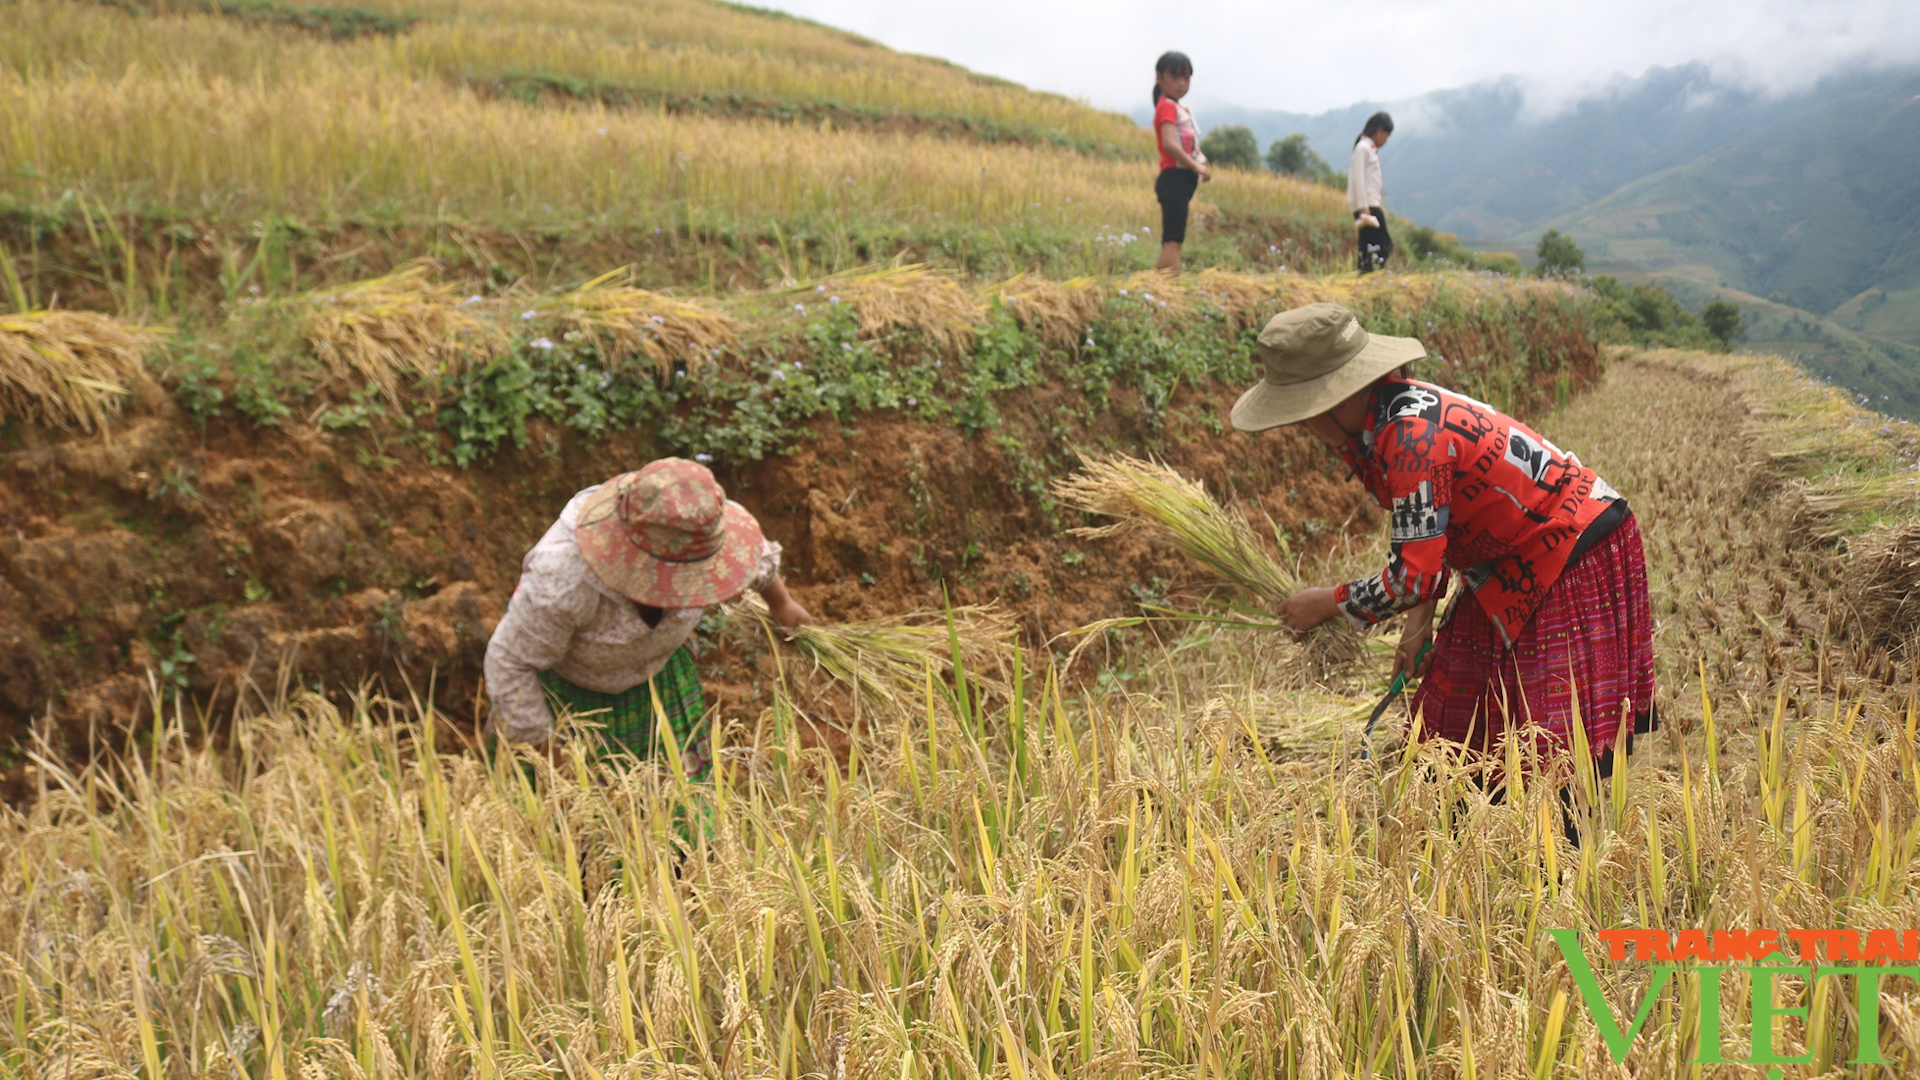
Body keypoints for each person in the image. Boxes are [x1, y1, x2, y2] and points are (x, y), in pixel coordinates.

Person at [1232, 302, 1655, 773]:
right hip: (1502, 558)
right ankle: (1469, 831)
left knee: (1550, 750)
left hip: (1568, 549)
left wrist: (1325, 603)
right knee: (1454, 709)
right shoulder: (1387, 416)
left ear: (1340, 399)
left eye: (1303, 414)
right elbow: (1432, 540)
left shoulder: (1409, 436)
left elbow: (1411, 578)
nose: (1304, 428)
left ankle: (1556, 845)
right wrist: (1417, 627)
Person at [484, 458, 813, 777]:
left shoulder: (702, 527)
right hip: (568, 701)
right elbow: (509, 664)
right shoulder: (564, 579)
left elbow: (751, 560)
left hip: (659, 680)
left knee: (678, 818)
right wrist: (551, 758)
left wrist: (782, 604)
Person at [1151, 51, 1210, 273]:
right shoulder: (1166, 106)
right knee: (1173, 241)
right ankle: (1168, 290)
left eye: (1186, 78)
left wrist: (1200, 161)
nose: (1182, 83)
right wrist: (1196, 166)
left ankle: (1160, 289)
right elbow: (1169, 144)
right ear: (1159, 78)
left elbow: (1185, 143)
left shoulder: (1180, 108)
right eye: (1175, 77)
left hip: (1181, 181)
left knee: (1175, 240)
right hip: (1174, 179)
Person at [1348, 112, 1394, 273]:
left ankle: (1365, 276)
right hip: (1368, 206)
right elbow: (1358, 178)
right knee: (1382, 245)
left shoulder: (1369, 149)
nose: (1385, 141)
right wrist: (1363, 208)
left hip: (1371, 204)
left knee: (1369, 245)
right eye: (1386, 136)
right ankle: (1368, 275)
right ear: (1380, 130)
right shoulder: (1363, 148)